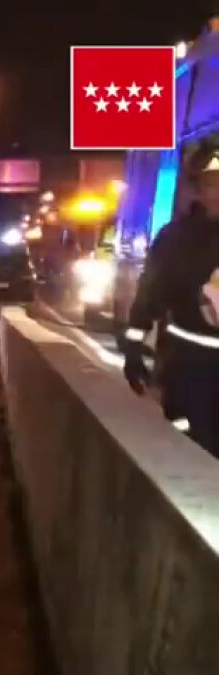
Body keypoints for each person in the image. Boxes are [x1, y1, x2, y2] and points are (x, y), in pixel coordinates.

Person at [122, 147, 219, 456]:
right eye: (213, 184)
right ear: (198, 190)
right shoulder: (176, 239)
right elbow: (150, 294)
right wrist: (133, 349)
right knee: (192, 444)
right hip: (189, 366)